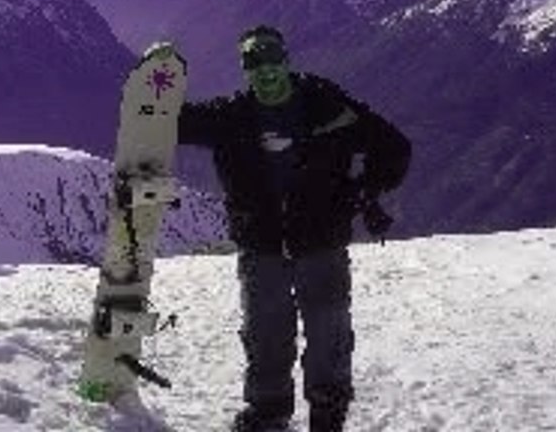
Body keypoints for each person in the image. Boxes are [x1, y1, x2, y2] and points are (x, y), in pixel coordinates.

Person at [163, 25, 412, 432]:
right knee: (266, 336)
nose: (265, 71)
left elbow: (393, 147)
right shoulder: (232, 115)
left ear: (286, 60)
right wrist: (153, 87)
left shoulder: (327, 105)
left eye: (272, 60)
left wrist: (364, 191)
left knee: (328, 334)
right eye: (253, 63)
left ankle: (327, 415)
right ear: (245, 69)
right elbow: (178, 123)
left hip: (321, 242)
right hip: (262, 246)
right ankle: (268, 413)